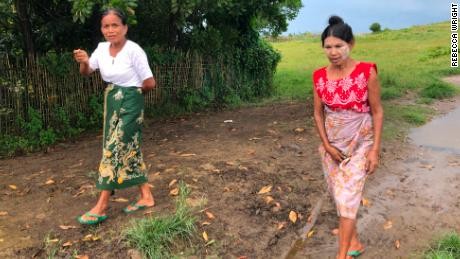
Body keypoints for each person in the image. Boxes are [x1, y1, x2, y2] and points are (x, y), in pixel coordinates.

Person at [73, 8, 156, 225]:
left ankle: (101, 205)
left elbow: (149, 83)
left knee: (115, 148)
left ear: (125, 27)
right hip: (112, 101)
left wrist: (132, 95)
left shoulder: (134, 51)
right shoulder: (101, 49)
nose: (110, 30)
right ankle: (146, 196)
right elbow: (87, 71)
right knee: (130, 149)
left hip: (131, 102)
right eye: (105, 26)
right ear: (102, 29)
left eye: (115, 25)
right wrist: (83, 61)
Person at [312, 16, 383, 259]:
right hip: (332, 146)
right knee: (338, 195)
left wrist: (374, 149)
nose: (333, 52)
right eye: (328, 47)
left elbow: (377, 111)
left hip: (361, 144)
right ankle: (353, 240)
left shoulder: (366, 72)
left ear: (351, 44)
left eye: (338, 46)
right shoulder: (319, 76)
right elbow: (317, 113)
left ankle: (342, 255)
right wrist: (327, 145)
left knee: (347, 195)